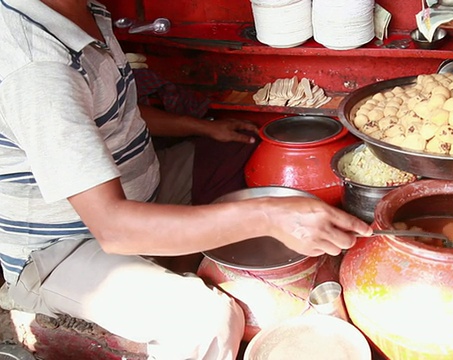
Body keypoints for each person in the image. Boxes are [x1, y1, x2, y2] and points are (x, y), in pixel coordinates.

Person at [0, 1, 372, 359]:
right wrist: (269, 216)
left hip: (139, 185)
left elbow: (107, 114)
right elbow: (113, 229)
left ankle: (181, 260)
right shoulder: (37, 66)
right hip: (63, 245)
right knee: (207, 321)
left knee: (245, 152)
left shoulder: (85, 11)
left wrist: (204, 128)